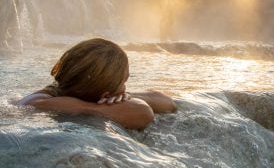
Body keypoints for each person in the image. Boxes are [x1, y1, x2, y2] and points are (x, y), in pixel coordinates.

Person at [19, 38, 176, 129]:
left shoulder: (73, 89)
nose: (125, 87)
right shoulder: (39, 101)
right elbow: (144, 113)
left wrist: (124, 96)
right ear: (104, 94)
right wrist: (99, 107)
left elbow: (167, 103)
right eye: (125, 81)